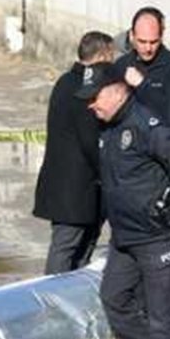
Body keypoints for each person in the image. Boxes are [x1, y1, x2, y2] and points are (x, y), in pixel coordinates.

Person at [79, 61, 170, 339]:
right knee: (114, 298)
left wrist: (169, 210)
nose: (91, 105)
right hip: (125, 236)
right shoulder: (107, 126)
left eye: (96, 97)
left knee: (162, 318)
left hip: (158, 236)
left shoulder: (146, 125)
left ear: (118, 91)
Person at [34, 30, 115, 274]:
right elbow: (90, 140)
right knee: (66, 247)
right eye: (111, 57)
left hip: (71, 186)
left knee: (80, 246)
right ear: (101, 55)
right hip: (75, 188)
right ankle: (51, 299)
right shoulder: (83, 89)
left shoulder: (65, 80)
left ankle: (68, 294)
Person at [117, 6, 170, 122]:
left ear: (161, 37)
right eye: (142, 41)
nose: (148, 48)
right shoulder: (121, 65)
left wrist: (142, 85)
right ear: (132, 36)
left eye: (153, 42)